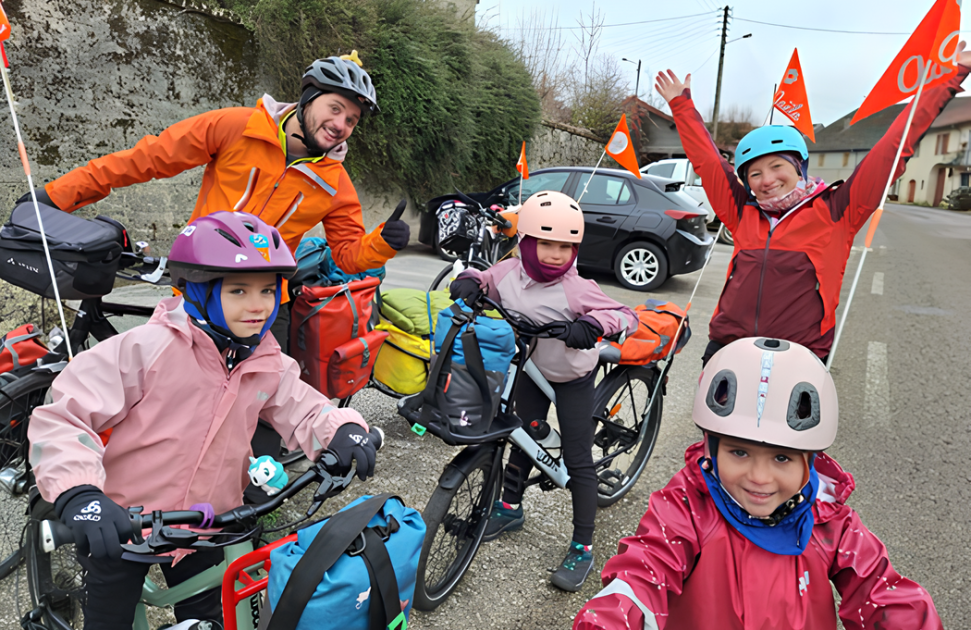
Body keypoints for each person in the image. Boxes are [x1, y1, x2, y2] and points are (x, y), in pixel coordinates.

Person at [27, 212, 383, 630]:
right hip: (120, 521)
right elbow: (64, 417)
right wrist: (80, 494)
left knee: (212, 616)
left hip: (209, 523)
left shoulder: (265, 360)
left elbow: (305, 407)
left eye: (268, 291)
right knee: (109, 621)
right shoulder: (146, 349)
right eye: (238, 290)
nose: (258, 305)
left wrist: (342, 429)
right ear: (198, 291)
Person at [22, 50, 409, 348]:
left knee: (258, 412)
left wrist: (381, 244)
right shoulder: (236, 127)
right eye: (336, 108)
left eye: (352, 120)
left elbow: (346, 255)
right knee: (164, 395)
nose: (341, 125)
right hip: (198, 285)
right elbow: (146, 160)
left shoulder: (335, 183)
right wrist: (56, 196)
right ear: (309, 99)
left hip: (263, 303)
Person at [573, 337, 942, 629]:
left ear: (810, 459)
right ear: (711, 447)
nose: (759, 478)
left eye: (782, 458)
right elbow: (643, 572)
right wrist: (608, 618)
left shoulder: (831, 525)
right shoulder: (686, 509)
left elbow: (880, 591)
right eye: (738, 453)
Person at [654, 43, 971, 365]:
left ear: (799, 168)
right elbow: (708, 163)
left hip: (800, 355)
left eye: (778, 166)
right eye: (755, 173)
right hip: (729, 345)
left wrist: (948, 77)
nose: (766, 180)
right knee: (710, 418)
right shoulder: (741, 212)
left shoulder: (838, 210)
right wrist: (681, 106)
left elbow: (892, 147)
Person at [447, 190, 638, 592]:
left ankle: (583, 546)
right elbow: (483, 278)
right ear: (525, 242)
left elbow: (626, 315)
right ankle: (509, 508)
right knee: (523, 433)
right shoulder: (508, 271)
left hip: (570, 378)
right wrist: (467, 282)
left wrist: (593, 326)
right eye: (546, 243)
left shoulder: (576, 289)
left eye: (566, 246)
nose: (555, 254)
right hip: (530, 371)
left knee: (577, 458)